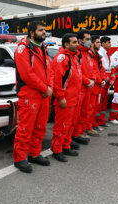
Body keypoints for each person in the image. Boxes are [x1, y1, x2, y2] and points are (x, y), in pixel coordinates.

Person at [13, 21, 53, 173]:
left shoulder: (43, 48)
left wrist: (49, 87)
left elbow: (50, 70)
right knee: (25, 128)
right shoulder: (23, 49)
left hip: (44, 95)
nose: (44, 32)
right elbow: (27, 75)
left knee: (40, 127)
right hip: (30, 95)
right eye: (41, 30)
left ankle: (34, 153)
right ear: (31, 33)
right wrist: (45, 88)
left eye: (44, 30)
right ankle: (20, 158)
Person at [51, 33, 82, 162]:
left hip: (74, 99)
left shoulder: (73, 57)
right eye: (74, 42)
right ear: (66, 44)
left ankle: (66, 145)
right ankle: (57, 150)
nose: (77, 44)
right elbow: (56, 80)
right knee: (61, 126)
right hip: (65, 100)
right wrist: (61, 97)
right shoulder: (62, 58)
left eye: (77, 42)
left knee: (70, 125)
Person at [71, 29, 95, 144]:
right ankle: (74, 134)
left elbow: (92, 69)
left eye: (90, 39)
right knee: (77, 113)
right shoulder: (77, 53)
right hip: (80, 88)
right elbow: (77, 71)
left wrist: (94, 79)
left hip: (88, 88)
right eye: (87, 39)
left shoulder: (88, 53)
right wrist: (87, 81)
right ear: (80, 40)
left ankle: (79, 132)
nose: (89, 41)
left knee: (84, 112)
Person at [88, 35, 105, 134]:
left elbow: (101, 70)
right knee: (89, 109)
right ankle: (88, 128)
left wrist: (103, 79)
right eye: (98, 42)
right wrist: (100, 80)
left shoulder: (97, 56)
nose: (99, 44)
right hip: (93, 86)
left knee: (94, 108)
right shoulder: (90, 55)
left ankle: (90, 126)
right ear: (92, 43)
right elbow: (93, 71)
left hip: (98, 86)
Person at [97, 36, 114, 127]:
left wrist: (112, 79)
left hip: (107, 82)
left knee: (103, 104)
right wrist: (107, 79)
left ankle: (101, 121)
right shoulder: (100, 54)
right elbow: (101, 69)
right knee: (99, 104)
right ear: (103, 43)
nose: (110, 44)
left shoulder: (107, 54)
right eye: (108, 42)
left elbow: (110, 68)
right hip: (103, 82)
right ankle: (96, 123)